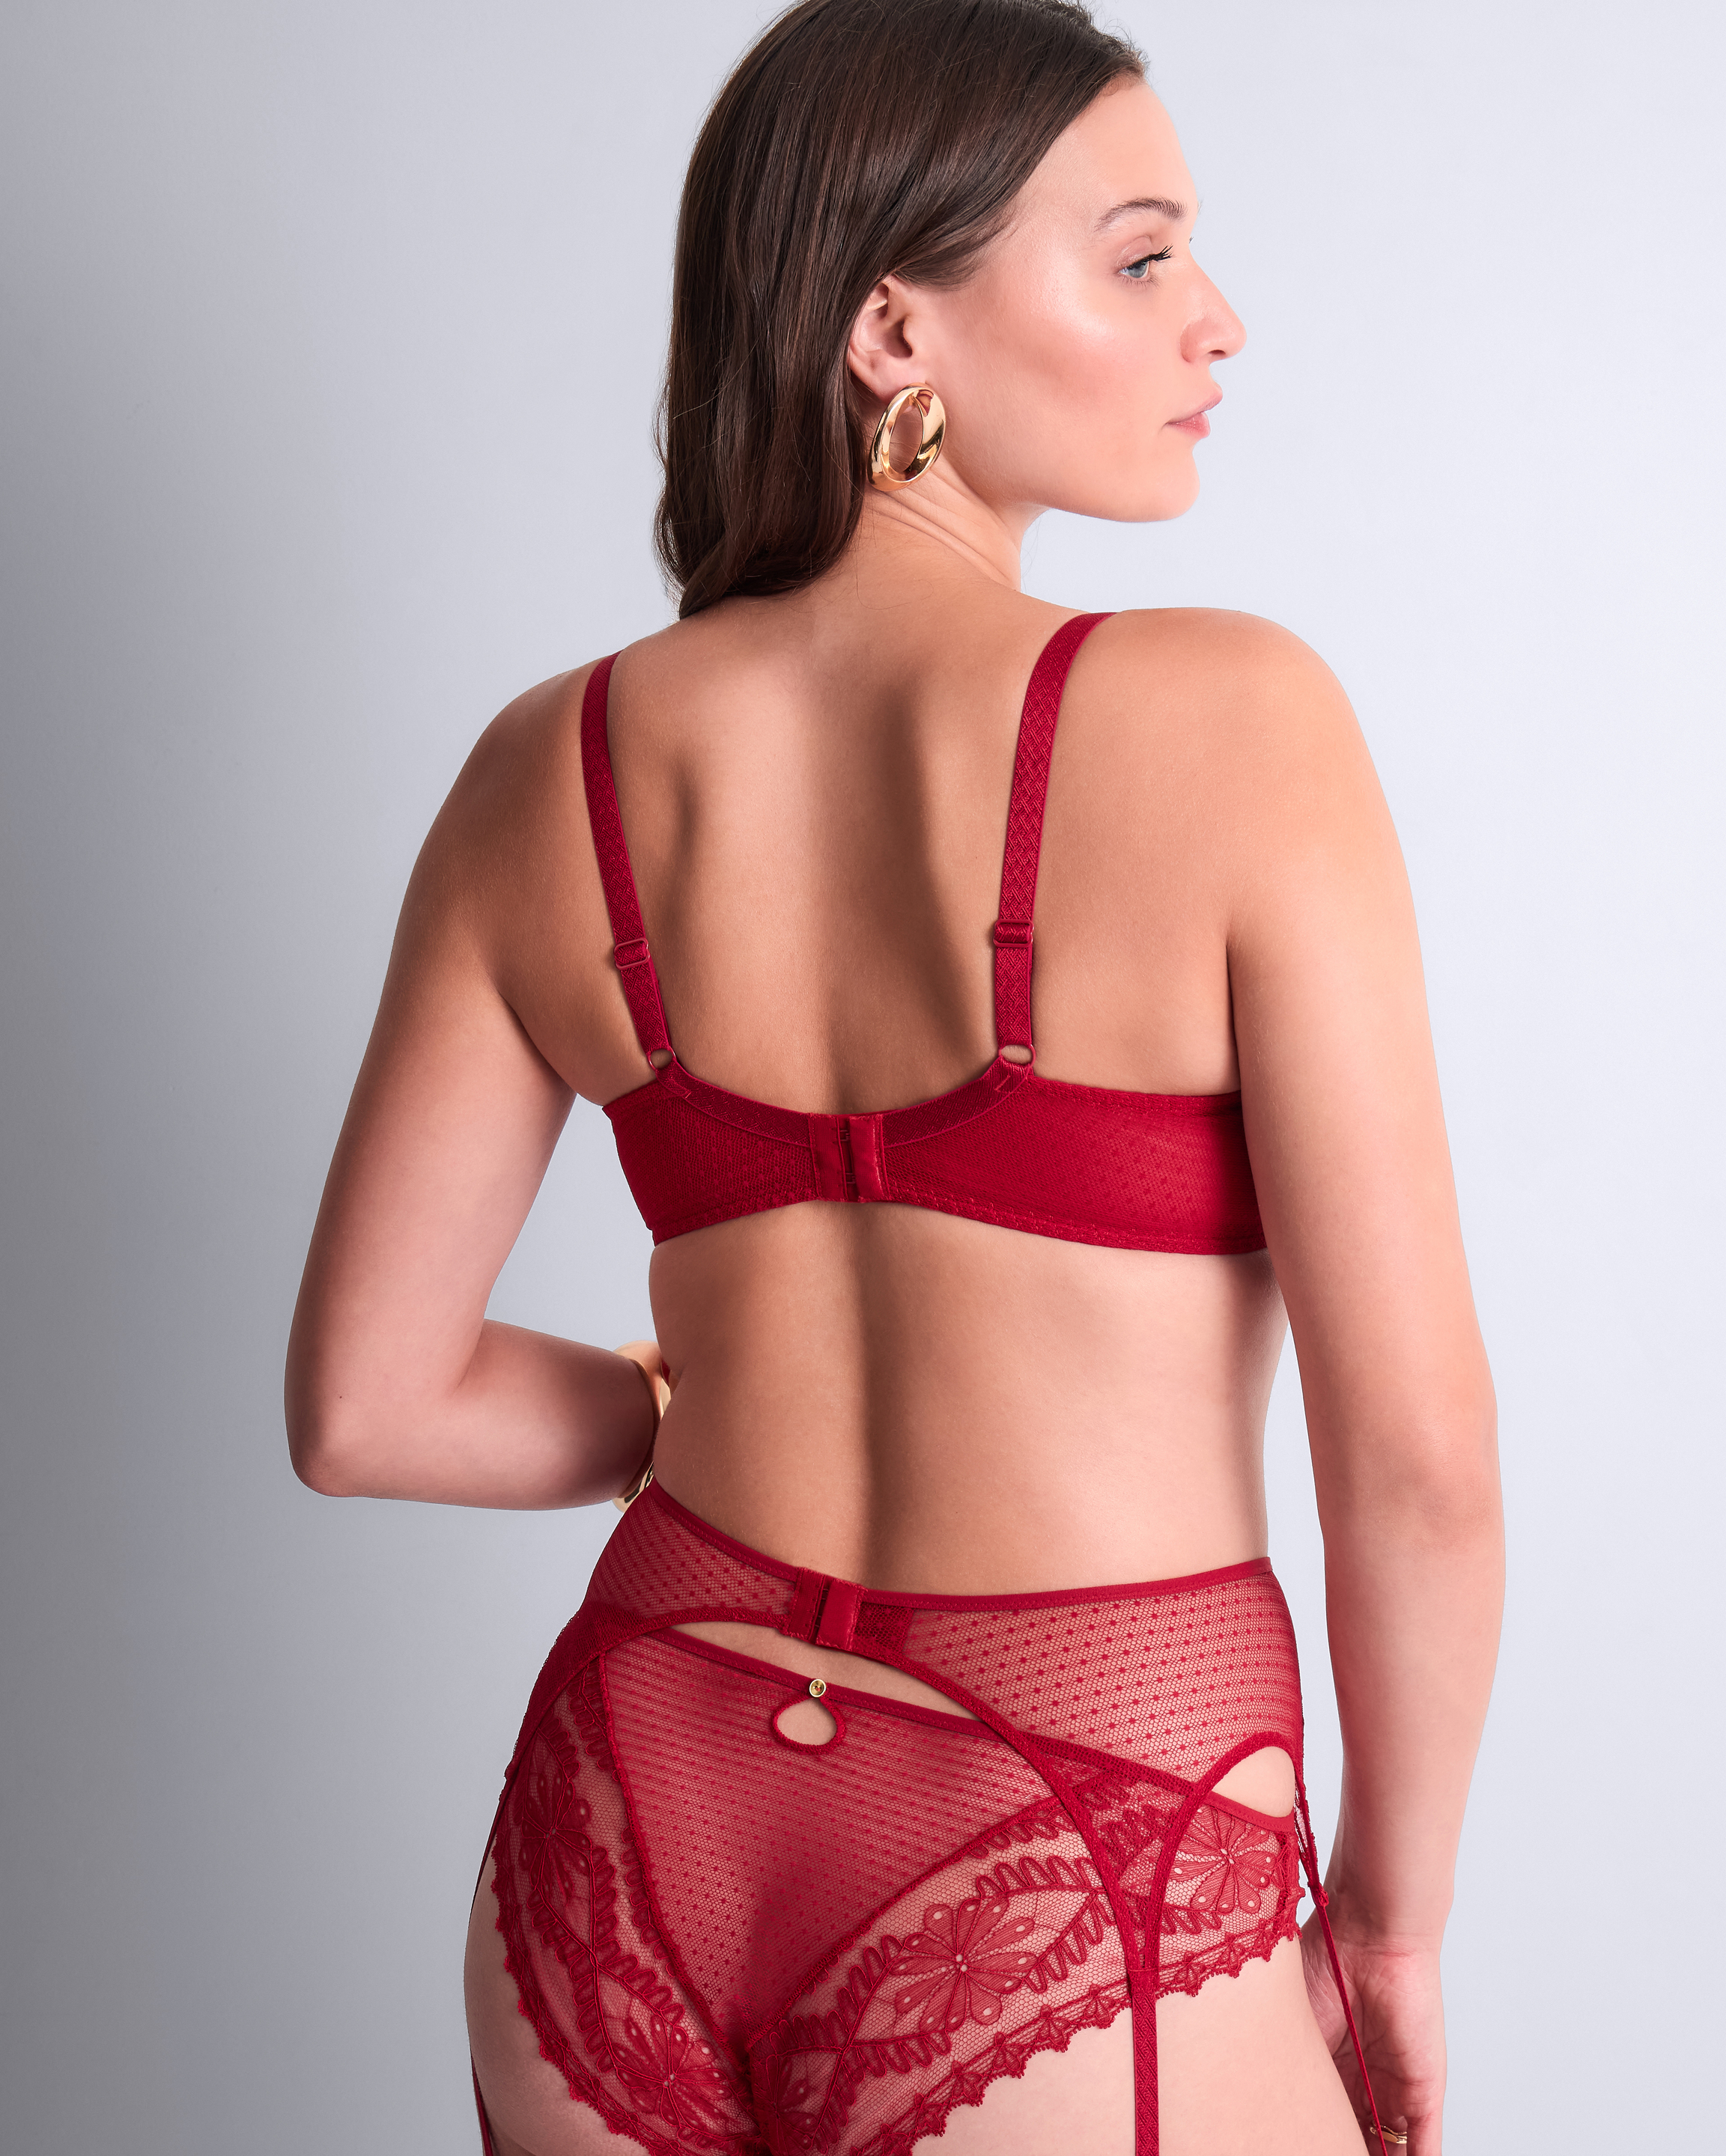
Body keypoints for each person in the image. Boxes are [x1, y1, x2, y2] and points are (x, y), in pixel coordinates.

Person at [285, 3, 1503, 2151]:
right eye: (1140, 256)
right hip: (1079, 1812)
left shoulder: (543, 770)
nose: (1217, 319)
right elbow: (1411, 1463)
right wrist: (1390, 1929)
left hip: (635, 1791)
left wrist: (684, 1408)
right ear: (891, 333)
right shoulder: (1239, 720)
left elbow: (369, 1409)